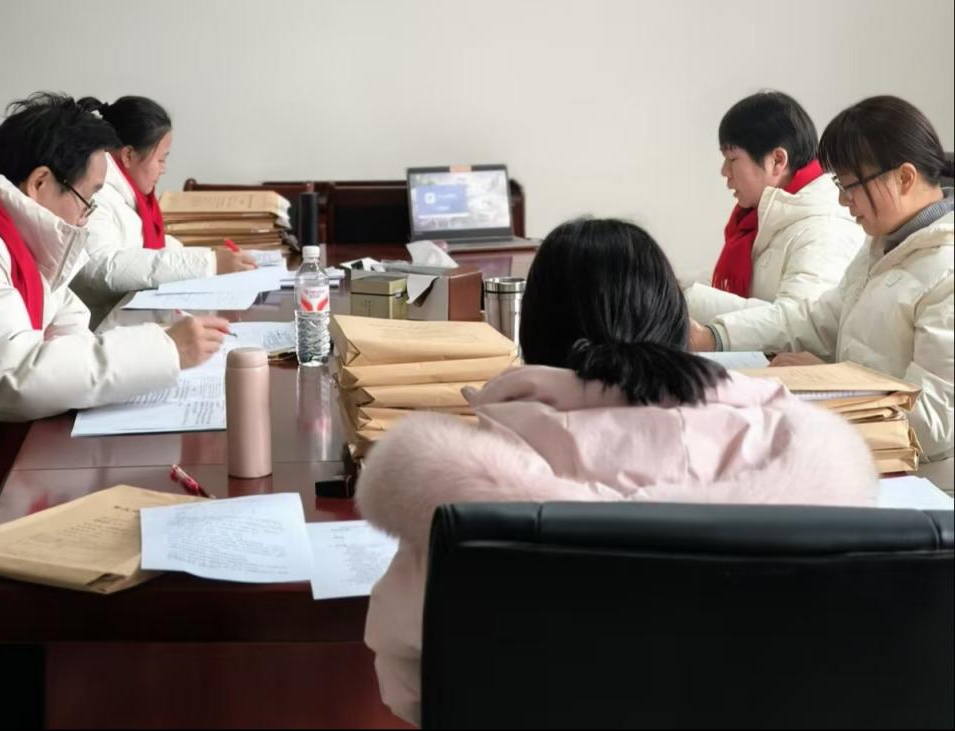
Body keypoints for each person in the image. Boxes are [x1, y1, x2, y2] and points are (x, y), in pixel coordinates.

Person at [358, 218, 878, 726]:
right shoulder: (791, 454)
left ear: (533, 329)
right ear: (676, 319)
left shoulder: (471, 479)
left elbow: (409, 684)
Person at [0, 92, 230, 531]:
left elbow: (62, 308)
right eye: (87, 198)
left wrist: (75, 370)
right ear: (40, 182)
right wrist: (164, 350)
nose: (87, 217)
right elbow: (10, 376)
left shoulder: (1, 217)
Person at [692, 96, 954, 463]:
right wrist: (716, 336)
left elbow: (937, 423)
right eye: (839, 185)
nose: (843, 201)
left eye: (850, 186)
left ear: (904, 178)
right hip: (860, 456)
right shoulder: (882, 247)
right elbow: (814, 321)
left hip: (924, 483)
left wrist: (830, 381)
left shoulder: (945, 269)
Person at [684, 91, 864, 325]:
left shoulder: (824, 231)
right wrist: (672, 286)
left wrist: (688, 301)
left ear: (778, 160)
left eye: (732, 159)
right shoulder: (761, 219)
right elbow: (748, 288)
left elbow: (799, 325)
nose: (724, 171)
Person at [72, 95, 255, 319]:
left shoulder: (132, 197)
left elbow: (150, 249)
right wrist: (210, 263)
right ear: (128, 155)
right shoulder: (96, 195)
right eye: (161, 159)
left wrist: (212, 257)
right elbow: (102, 268)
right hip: (101, 326)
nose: (164, 169)